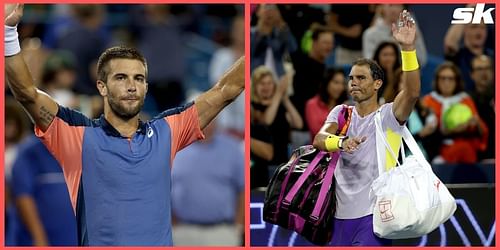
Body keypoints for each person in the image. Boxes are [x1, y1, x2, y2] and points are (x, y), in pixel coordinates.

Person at [4, 4, 244, 246]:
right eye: (121, 77)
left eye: (139, 78)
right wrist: (8, 32)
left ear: (146, 87)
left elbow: (225, 91)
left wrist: (255, 39)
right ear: (101, 86)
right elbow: (27, 94)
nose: (131, 86)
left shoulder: (168, 130)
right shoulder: (76, 135)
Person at [313, 9, 421, 246]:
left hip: (374, 217)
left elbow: (412, 92)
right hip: (336, 217)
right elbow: (319, 139)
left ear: (377, 84)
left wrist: (408, 49)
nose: (354, 83)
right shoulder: (340, 112)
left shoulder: (388, 115)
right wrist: (341, 142)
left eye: (361, 78)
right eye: (351, 78)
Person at [171, 120, 244, 246]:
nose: (205, 122)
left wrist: (238, 226)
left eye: (210, 117)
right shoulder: (174, 147)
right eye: (198, 117)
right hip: (183, 231)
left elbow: (243, 189)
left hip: (221, 232)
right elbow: (162, 189)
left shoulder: (232, 149)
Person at [11, 135, 78, 246]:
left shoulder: (81, 150)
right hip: (42, 241)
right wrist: (39, 238)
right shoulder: (29, 152)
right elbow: (22, 196)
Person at [421, 62, 488, 164]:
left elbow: (481, 129)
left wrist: (474, 123)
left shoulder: (465, 100)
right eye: (443, 78)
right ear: (437, 80)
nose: (446, 82)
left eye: (451, 79)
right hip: (435, 151)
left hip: (465, 148)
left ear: (457, 81)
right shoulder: (428, 101)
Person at [251, 65, 303, 166]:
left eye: (269, 83)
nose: (266, 87)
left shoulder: (279, 105)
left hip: (283, 162)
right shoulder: (252, 107)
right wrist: (278, 94)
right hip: (262, 164)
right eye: (262, 83)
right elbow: (267, 120)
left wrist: (285, 99)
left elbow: (298, 124)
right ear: (255, 86)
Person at [362, 4, 427, 66]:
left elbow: (422, 60)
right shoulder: (370, 34)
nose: (394, 10)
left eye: (398, 5)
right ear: (382, 7)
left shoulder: (410, 31)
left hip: (406, 73)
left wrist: (408, 46)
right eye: (391, 5)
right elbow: (369, 64)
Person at [305, 67, 348, 141]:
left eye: (342, 83)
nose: (340, 87)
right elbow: (318, 133)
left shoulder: (346, 106)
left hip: (343, 150)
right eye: (336, 82)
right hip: (320, 149)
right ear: (327, 82)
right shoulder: (312, 104)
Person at [468, 55, 495, 161]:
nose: (484, 73)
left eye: (487, 68)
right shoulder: (465, 100)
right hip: (475, 159)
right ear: (472, 74)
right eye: (479, 69)